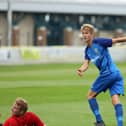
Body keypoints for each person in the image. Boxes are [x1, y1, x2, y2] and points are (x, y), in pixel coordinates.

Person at [77, 24, 126, 126]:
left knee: (90, 96)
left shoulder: (99, 41)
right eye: (83, 33)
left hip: (108, 74)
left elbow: (116, 40)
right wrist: (81, 69)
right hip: (116, 74)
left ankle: (99, 122)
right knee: (115, 100)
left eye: (86, 33)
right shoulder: (87, 50)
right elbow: (86, 63)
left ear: (91, 34)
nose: (84, 35)